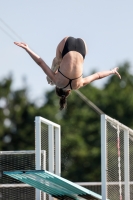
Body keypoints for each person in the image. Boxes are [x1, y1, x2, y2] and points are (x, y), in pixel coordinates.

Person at [14, 36, 121, 110]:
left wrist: (112, 71)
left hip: (83, 46)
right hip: (66, 43)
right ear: (57, 87)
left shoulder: (78, 85)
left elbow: (98, 76)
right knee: (57, 61)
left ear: (69, 92)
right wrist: (27, 48)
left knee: (62, 62)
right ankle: (53, 70)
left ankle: (56, 68)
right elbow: (40, 62)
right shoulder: (57, 81)